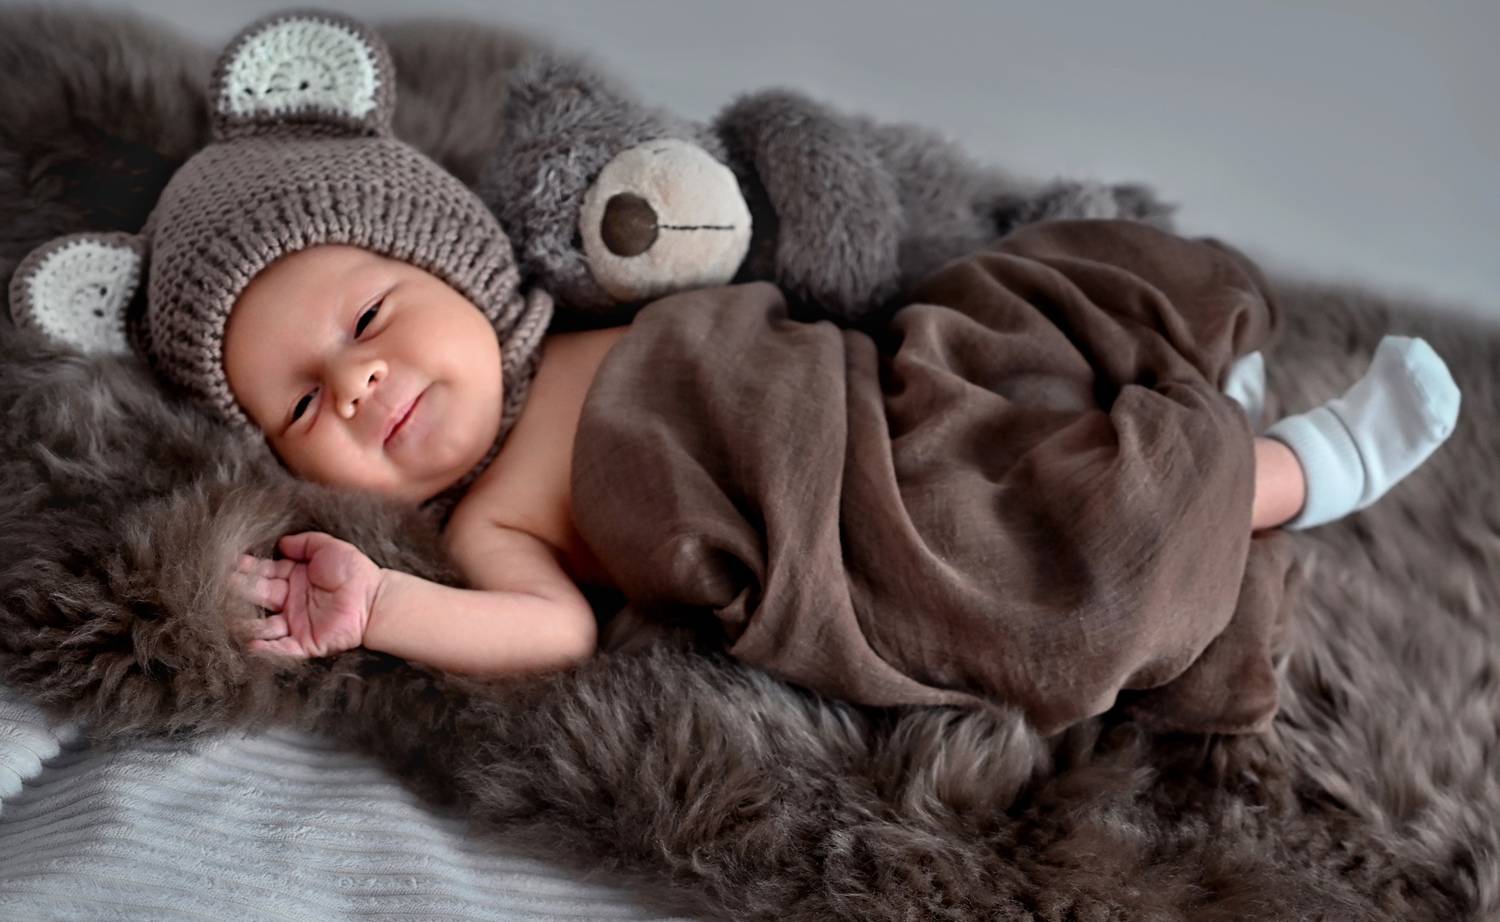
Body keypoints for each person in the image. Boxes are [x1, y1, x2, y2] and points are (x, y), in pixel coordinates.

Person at [7, 10, 1460, 735]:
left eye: (371, 316)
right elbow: (546, 636)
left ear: (453, 259)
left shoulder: (577, 306)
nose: (361, 385)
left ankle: (1193, 384)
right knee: (1046, 560)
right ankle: (1289, 475)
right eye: (301, 404)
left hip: (887, 380)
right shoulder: (493, 514)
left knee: (1057, 281)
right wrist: (384, 604)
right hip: (855, 530)